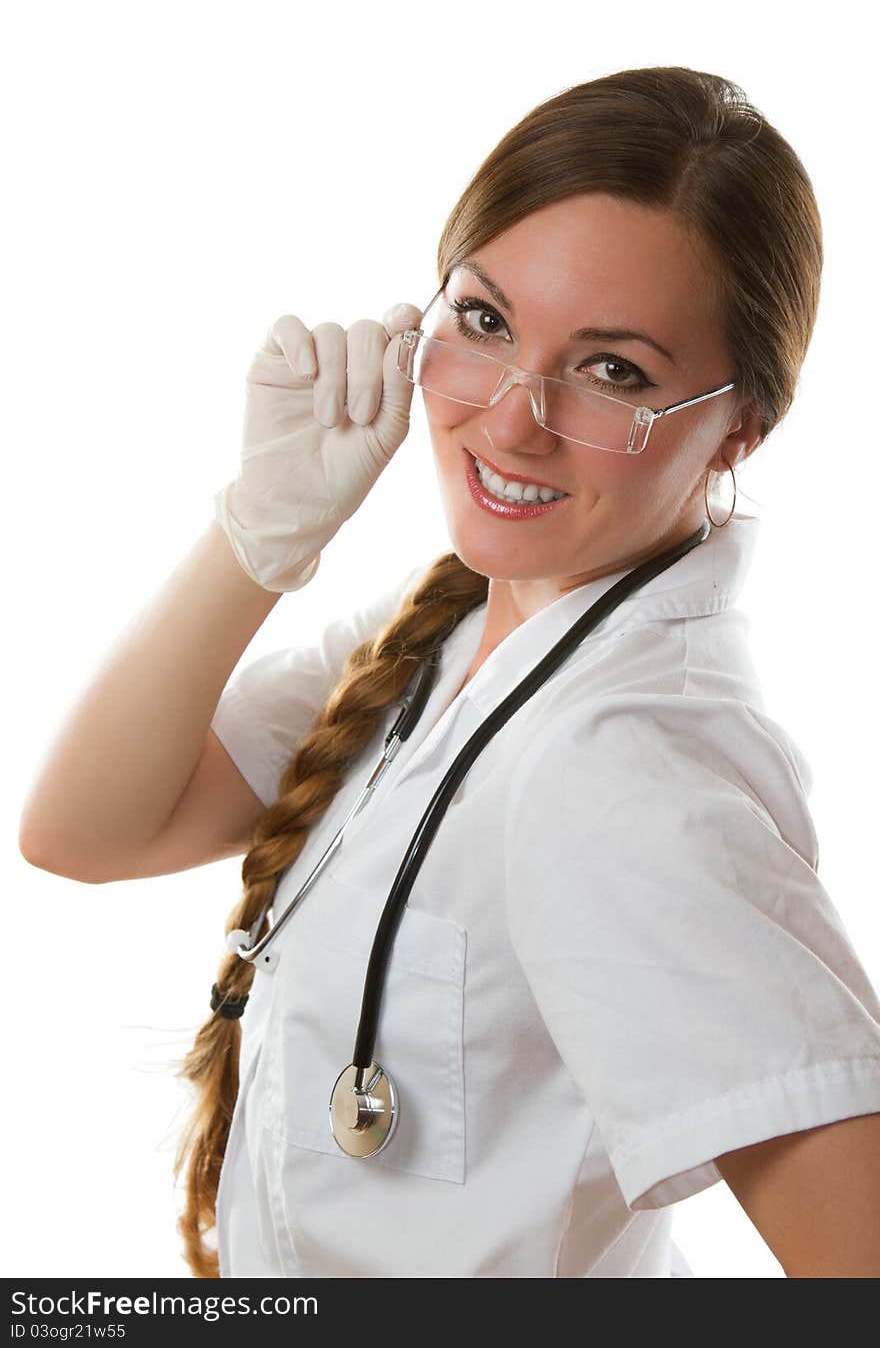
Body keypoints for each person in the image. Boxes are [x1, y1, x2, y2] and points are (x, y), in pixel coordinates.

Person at [19, 65, 880, 1280]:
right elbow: (84, 830)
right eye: (482, 321)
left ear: (738, 427)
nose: (511, 419)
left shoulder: (627, 763)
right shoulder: (451, 625)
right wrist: (260, 535)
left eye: (612, 370)